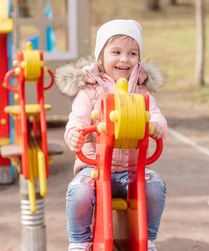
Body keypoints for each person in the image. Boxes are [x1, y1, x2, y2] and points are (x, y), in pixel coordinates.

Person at [55, 19, 167, 251]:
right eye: (116, 52)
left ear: (138, 59)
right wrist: (75, 135)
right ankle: (79, 240)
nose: (124, 59)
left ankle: (147, 238)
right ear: (101, 57)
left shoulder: (141, 91)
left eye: (132, 53)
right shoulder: (89, 91)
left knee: (155, 186)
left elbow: (157, 118)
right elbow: (76, 122)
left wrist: (155, 127)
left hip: (132, 170)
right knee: (79, 191)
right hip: (94, 167)